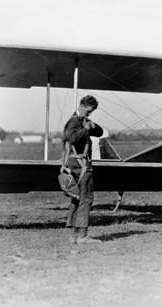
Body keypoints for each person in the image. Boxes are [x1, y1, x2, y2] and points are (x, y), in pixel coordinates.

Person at [61, 95, 104, 244]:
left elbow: (99, 132)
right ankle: (83, 236)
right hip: (81, 165)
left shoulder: (80, 121)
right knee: (86, 198)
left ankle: (74, 235)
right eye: (89, 111)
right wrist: (85, 129)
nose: (90, 114)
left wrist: (91, 125)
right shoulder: (74, 122)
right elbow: (72, 139)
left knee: (77, 199)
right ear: (83, 106)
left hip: (77, 164)